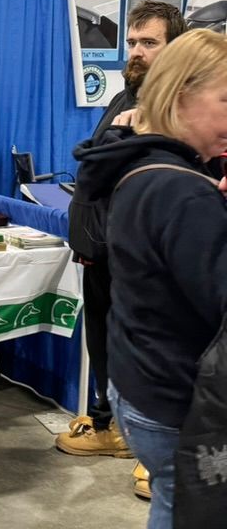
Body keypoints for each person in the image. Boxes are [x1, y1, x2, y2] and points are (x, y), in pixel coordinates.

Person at [71, 29, 227, 529]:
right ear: (183, 94)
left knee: (171, 499)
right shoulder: (181, 191)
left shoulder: (142, 165)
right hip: (175, 394)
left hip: (141, 380)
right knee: (187, 505)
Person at [61, 0, 187, 500]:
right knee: (106, 344)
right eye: (132, 41)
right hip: (102, 251)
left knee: (149, 350)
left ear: (175, 47)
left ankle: (154, 452)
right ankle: (111, 427)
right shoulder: (126, 95)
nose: (136, 51)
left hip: (143, 258)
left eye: (149, 42)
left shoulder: (177, 103)